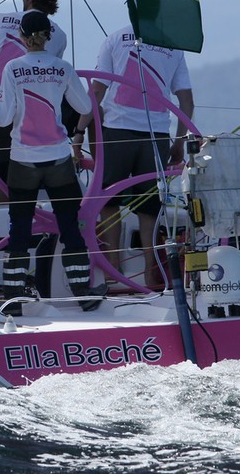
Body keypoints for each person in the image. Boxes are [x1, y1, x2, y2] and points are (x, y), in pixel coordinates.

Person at [0, 11, 101, 316]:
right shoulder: (62, 68)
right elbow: (85, 106)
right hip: (58, 158)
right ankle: (82, 293)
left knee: (19, 230)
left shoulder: (12, 68)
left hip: (22, 160)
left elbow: (5, 118)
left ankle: (13, 300)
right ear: (49, 35)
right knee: (70, 226)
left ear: (20, 37)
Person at [73, 27, 194, 286]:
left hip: (118, 132)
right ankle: (151, 273)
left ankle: (113, 272)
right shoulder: (172, 44)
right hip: (157, 135)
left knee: (108, 200)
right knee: (149, 207)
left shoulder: (116, 38)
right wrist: (180, 143)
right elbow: (187, 102)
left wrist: (79, 131)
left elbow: (96, 92)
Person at [0, 0, 67, 196]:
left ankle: (3, 230)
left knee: (0, 185)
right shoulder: (59, 35)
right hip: (37, 114)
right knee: (38, 183)